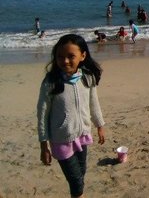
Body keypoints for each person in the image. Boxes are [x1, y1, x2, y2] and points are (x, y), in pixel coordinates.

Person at [37, 34, 106, 198]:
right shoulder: (51, 82)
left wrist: (100, 126)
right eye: (60, 56)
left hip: (82, 135)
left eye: (70, 56)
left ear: (83, 56)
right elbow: (42, 114)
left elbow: (94, 104)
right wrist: (43, 145)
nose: (65, 61)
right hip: (61, 139)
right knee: (76, 182)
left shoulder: (88, 78)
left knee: (81, 175)